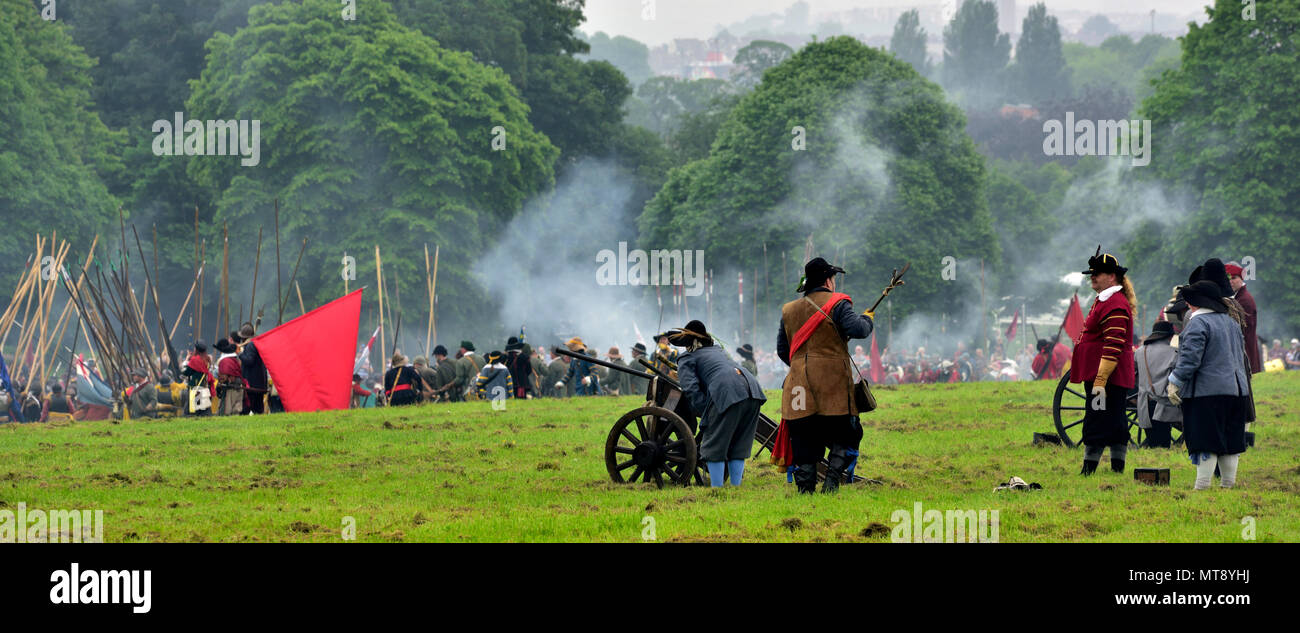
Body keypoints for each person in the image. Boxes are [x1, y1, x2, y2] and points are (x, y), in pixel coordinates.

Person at [776, 257, 873, 493]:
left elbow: (782, 350)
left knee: (803, 438)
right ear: (828, 281)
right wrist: (867, 319)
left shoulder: (789, 310)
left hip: (798, 384)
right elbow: (858, 330)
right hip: (833, 383)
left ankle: (805, 490)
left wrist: (802, 365)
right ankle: (831, 484)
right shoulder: (839, 303)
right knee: (846, 434)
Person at [1166, 280, 1251, 490]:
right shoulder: (1231, 322)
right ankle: (1227, 485)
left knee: (1206, 440)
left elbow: (1190, 360)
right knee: (1231, 442)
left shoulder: (1198, 323)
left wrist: (1174, 382)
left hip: (1207, 393)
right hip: (1237, 391)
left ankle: (1202, 486)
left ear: (1194, 303)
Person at [672, 321, 766, 487]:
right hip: (753, 390)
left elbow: (690, 388)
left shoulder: (687, 357)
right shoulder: (718, 351)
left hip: (727, 392)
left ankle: (717, 489)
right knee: (740, 443)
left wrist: (705, 410)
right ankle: (735, 487)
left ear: (689, 344)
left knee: (714, 444)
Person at [1070, 248, 1137, 475]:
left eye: (1097, 273)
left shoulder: (1115, 304)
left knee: (1098, 418)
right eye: (1092, 273)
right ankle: (1115, 469)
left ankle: (1090, 470)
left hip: (1106, 378)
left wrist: (1100, 379)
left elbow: (1113, 345)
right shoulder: (1105, 300)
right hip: (1103, 376)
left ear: (1112, 276)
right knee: (1111, 418)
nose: (1093, 277)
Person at [1136, 320, 1181, 448]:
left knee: (1153, 442)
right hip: (1165, 404)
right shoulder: (1175, 353)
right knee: (1164, 442)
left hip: (1144, 404)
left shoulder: (1140, 352)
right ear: (1171, 336)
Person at [1225, 261, 1261, 373]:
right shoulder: (1236, 298)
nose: (1230, 281)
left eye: (1234, 278)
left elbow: (1243, 331)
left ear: (1241, 278)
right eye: (1228, 278)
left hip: (1245, 350)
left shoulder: (1244, 300)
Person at [235, 323, 269, 414]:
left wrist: (239, 353)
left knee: (247, 409)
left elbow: (249, 361)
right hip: (257, 384)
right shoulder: (253, 344)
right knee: (258, 410)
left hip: (252, 385)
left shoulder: (251, 345)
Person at [181, 341, 216, 416]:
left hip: (196, 390)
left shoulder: (195, 360)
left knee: (194, 413)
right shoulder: (207, 359)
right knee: (203, 412)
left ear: (196, 349)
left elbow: (185, 372)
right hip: (204, 388)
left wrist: (187, 360)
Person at [214, 339, 245, 416]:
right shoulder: (234, 359)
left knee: (226, 412)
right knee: (235, 411)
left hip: (230, 389)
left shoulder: (225, 361)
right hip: (237, 387)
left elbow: (223, 378)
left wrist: (219, 387)